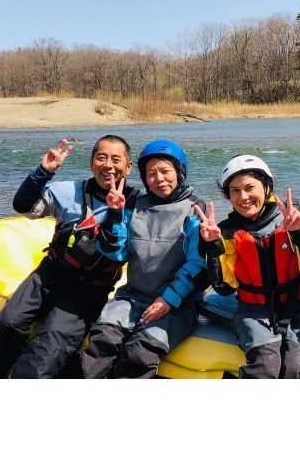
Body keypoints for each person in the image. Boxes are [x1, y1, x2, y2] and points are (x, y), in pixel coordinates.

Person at [0, 135, 138, 378]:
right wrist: (43, 172)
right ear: (91, 163)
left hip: (89, 289)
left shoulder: (137, 205)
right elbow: (23, 207)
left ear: (128, 167)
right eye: (101, 158)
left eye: (116, 159)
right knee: (6, 324)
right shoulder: (67, 191)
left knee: (50, 345)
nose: (108, 165)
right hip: (49, 274)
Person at [80, 140, 208, 379]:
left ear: (179, 173)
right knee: (103, 340)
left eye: (165, 171)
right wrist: (115, 215)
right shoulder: (134, 205)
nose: (159, 179)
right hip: (132, 297)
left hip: (178, 304)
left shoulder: (194, 209)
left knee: (139, 352)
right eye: (151, 174)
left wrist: (169, 299)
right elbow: (117, 253)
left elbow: (197, 264)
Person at [196, 155, 300, 378]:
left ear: (267, 187)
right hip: (253, 311)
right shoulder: (226, 232)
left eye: (249, 188)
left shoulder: (294, 219)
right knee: (265, 364)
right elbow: (224, 288)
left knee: (295, 366)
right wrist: (212, 247)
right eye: (234, 191)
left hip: (298, 308)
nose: (243, 197)